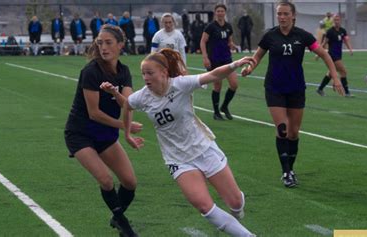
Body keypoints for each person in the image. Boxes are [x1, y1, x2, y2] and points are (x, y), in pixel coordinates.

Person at [104, 48, 256, 237]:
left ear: (164, 72)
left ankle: (238, 205)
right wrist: (126, 134)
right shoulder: (142, 96)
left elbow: (213, 74)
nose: (145, 78)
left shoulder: (180, 85)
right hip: (178, 160)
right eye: (143, 74)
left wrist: (235, 64)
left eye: (150, 73)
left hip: (203, 148)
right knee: (204, 206)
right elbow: (127, 105)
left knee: (235, 203)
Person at [241, 1, 345, 188]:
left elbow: (324, 55)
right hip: (274, 88)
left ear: (293, 16)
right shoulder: (270, 36)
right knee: (283, 129)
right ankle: (286, 172)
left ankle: (291, 167)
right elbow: (257, 56)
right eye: (279, 14)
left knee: (294, 133)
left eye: (285, 14)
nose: (282, 17)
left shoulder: (302, 36)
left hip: (296, 88)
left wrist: (335, 78)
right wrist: (250, 67)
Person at [64, 25, 141, 237]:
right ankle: (125, 226)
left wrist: (115, 92)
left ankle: (116, 217)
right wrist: (124, 126)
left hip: (105, 135)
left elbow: (128, 104)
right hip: (80, 133)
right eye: (100, 42)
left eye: (108, 43)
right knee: (106, 180)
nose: (103, 47)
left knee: (130, 182)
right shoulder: (91, 71)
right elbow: (94, 113)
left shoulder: (123, 72)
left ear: (120, 45)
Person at [200, 3, 239, 120]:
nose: (220, 13)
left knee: (234, 84)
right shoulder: (210, 27)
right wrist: (205, 57)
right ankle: (216, 112)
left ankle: (224, 107)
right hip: (214, 60)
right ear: (215, 13)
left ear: (225, 12)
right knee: (217, 86)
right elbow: (203, 42)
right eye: (218, 11)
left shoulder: (228, 26)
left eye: (222, 11)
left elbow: (229, 41)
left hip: (227, 59)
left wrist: (233, 45)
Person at [316, 14, 354, 97]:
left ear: (340, 20)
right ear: (333, 21)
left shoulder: (343, 30)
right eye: (335, 20)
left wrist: (350, 49)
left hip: (339, 54)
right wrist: (318, 53)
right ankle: (347, 92)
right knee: (343, 71)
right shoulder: (330, 31)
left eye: (338, 19)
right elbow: (324, 43)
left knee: (330, 73)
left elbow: (346, 40)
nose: (337, 21)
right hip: (332, 55)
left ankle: (320, 89)